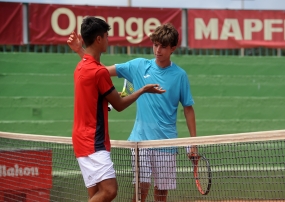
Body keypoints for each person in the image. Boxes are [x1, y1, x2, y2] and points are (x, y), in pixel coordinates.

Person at [68, 22, 197, 202]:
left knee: (161, 196)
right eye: (155, 45)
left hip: (167, 144)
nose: (158, 50)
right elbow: (100, 72)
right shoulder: (138, 66)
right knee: (139, 193)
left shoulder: (180, 75)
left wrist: (193, 142)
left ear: (173, 48)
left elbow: (188, 109)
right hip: (140, 142)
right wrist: (80, 51)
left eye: (163, 47)